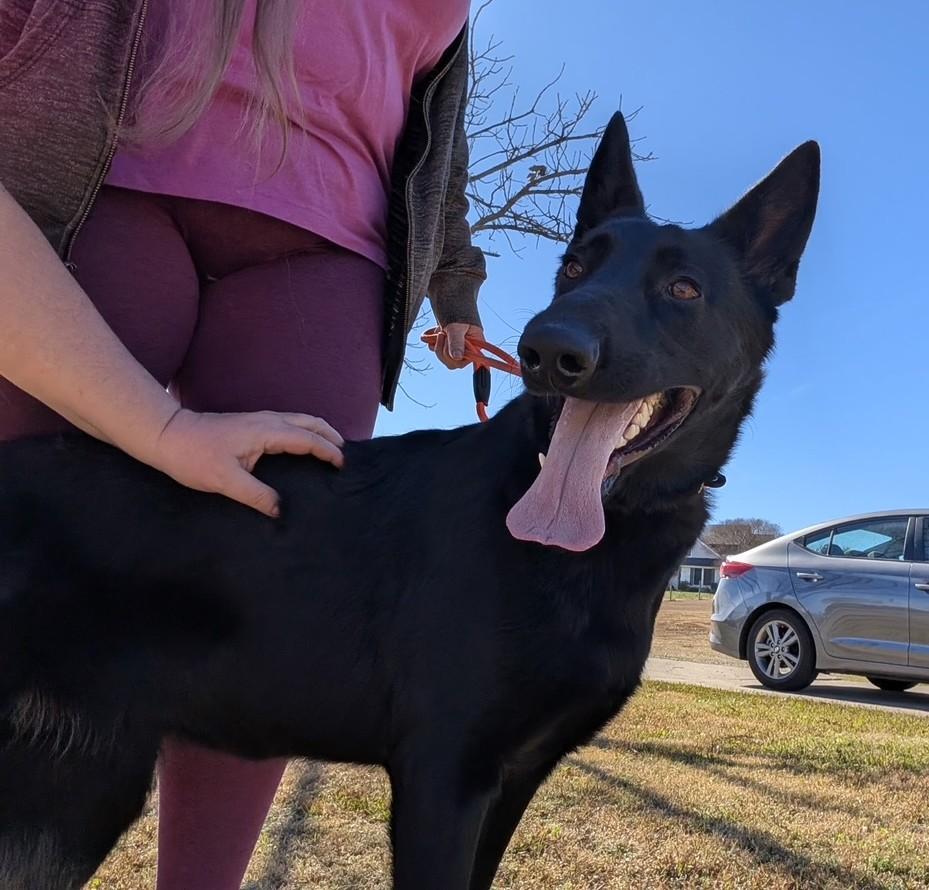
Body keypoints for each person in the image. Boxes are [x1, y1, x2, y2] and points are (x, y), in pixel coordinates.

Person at [0, 1, 484, 886]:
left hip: (335, 249)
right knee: (48, 578)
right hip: (101, 184)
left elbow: (437, 151)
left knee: (276, 601)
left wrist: (457, 290)